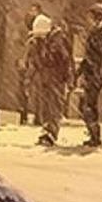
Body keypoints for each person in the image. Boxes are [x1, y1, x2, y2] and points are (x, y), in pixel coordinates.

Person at [29, 14, 72, 147]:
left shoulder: (58, 41)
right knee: (46, 107)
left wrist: (67, 78)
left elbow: (63, 61)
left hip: (56, 79)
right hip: (46, 79)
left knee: (53, 107)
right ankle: (46, 130)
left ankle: (51, 133)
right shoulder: (40, 42)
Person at [77, 3, 102, 148]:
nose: (87, 20)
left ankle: (95, 135)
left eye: (90, 16)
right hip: (92, 74)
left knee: (88, 105)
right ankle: (93, 134)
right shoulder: (98, 32)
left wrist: (95, 72)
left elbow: (101, 55)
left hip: (95, 75)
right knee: (86, 105)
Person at [17, 3, 42, 125]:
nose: (32, 12)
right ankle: (24, 114)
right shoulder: (26, 24)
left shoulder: (40, 27)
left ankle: (36, 116)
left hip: (35, 64)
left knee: (35, 91)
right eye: (31, 10)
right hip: (28, 63)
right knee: (25, 90)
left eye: (34, 10)